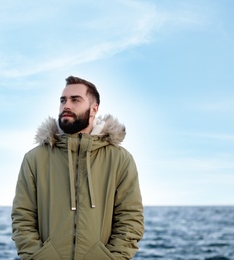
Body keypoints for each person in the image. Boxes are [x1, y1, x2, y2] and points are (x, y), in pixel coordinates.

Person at [11, 76, 144, 260]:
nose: (66, 105)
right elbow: (22, 218)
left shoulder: (120, 159)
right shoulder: (35, 159)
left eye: (75, 100)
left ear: (94, 109)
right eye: (63, 100)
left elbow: (130, 219)